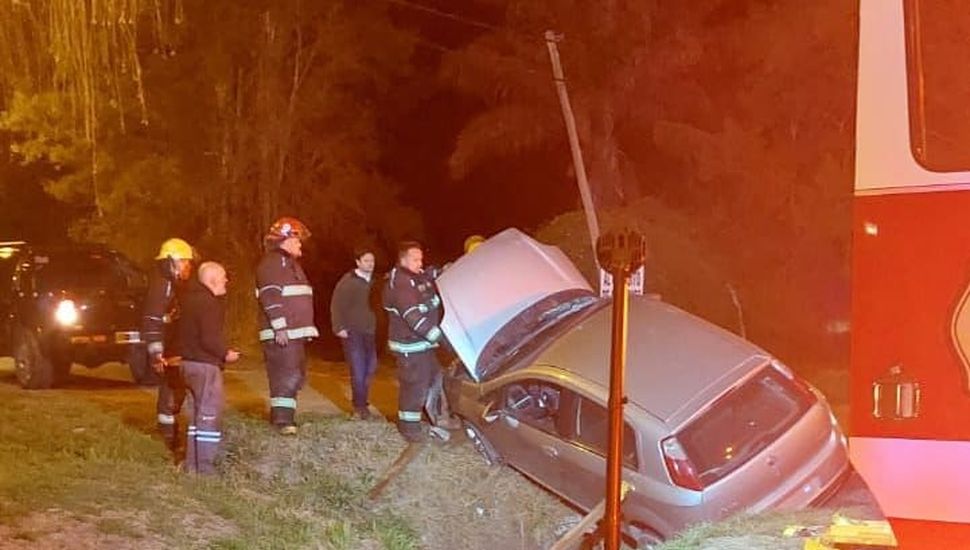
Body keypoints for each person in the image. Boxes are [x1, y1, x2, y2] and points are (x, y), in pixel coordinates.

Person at [255, 217, 318, 435]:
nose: (300, 243)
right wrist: (280, 327)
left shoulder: (289, 264)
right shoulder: (273, 263)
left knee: (294, 374)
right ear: (285, 239)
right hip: (282, 333)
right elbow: (270, 295)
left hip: (292, 333)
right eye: (297, 239)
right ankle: (282, 421)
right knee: (285, 374)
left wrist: (305, 329)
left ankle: (286, 418)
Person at [383, 241, 450, 443]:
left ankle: (436, 417)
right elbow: (413, 317)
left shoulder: (416, 276)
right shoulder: (401, 283)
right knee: (414, 385)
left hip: (423, 346)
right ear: (403, 260)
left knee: (435, 377)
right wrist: (438, 337)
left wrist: (447, 270)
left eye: (421, 258)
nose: (419, 262)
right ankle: (409, 428)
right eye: (415, 259)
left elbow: (430, 277)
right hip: (410, 347)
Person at [178, 261, 239, 474]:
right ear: (212, 279)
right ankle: (206, 469)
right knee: (208, 416)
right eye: (223, 277)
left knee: (195, 418)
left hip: (187, 365)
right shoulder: (209, 303)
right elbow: (209, 338)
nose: (226, 281)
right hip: (205, 366)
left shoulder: (188, 300)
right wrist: (226, 354)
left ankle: (191, 465)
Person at [142, 237, 194, 452]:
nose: (187, 266)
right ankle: (166, 437)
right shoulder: (162, 286)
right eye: (184, 261)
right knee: (170, 391)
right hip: (165, 348)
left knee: (176, 389)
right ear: (171, 261)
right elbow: (152, 320)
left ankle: (171, 433)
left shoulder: (174, 284)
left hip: (173, 345)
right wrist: (156, 354)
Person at [330, 246, 378, 420]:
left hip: (371, 331)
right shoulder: (348, 281)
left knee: (371, 367)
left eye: (372, 261)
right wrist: (339, 327)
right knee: (358, 369)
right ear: (358, 262)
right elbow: (336, 304)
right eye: (366, 261)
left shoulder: (376, 281)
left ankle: (362, 400)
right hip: (353, 331)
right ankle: (359, 406)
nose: (370, 264)